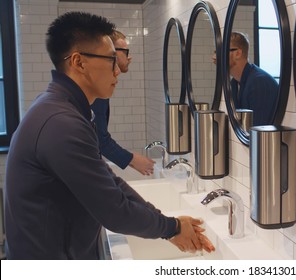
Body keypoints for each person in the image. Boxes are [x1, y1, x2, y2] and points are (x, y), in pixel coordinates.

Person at [4, 11, 214, 259]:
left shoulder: (65, 110)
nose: (118, 71)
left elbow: (110, 181)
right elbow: (114, 212)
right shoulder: (61, 123)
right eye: (111, 60)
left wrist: (167, 223)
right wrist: (171, 228)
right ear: (79, 62)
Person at [91, 30, 154, 176]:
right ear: (110, 52)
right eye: (126, 52)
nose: (129, 57)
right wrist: (132, 159)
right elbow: (99, 139)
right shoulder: (97, 89)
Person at [229, 32, 279, 126]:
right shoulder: (234, 83)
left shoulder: (259, 83)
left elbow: (259, 130)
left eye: (222, 52)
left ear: (238, 53)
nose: (215, 57)